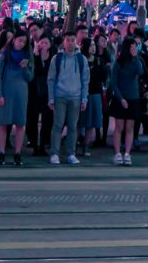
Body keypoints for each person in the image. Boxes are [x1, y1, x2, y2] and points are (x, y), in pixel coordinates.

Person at [47, 32, 90, 165]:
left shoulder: (82, 59)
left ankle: (71, 153)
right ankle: (54, 153)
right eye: (68, 40)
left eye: (73, 40)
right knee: (58, 125)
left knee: (73, 126)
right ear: (63, 42)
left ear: (76, 42)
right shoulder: (56, 58)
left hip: (76, 97)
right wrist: (51, 98)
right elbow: (51, 79)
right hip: (60, 96)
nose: (70, 43)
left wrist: (84, 99)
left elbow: (85, 80)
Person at [0, 31, 34, 166]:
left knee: (20, 124)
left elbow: (30, 77)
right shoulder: (5, 54)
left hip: (21, 92)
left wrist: (24, 68)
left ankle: (17, 153)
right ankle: (2, 152)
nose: (21, 44)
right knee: (3, 123)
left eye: (24, 42)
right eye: (19, 41)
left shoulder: (28, 56)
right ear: (13, 40)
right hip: (6, 91)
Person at [110, 37, 143, 166]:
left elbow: (140, 72)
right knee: (119, 127)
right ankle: (117, 153)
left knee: (130, 128)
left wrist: (136, 57)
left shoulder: (136, 61)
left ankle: (127, 154)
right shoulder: (118, 63)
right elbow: (114, 83)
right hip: (120, 98)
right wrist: (121, 98)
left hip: (133, 97)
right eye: (132, 46)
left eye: (136, 46)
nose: (134, 48)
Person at [28, 35, 54, 156]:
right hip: (35, 92)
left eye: (46, 42)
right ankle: (34, 144)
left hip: (48, 93)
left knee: (47, 120)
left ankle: (43, 144)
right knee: (32, 119)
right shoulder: (34, 57)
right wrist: (36, 56)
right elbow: (34, 72)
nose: (44, 45)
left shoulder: (53, 58)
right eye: (42, 43)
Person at [83, 36, 109, 157]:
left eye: (94, 45)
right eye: (90, 45)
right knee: (80, 121)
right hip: (83, 93)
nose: (93, 48)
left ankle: (86, 145)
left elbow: (103, 76)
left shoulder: (99, 61)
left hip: (95, 92)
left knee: (91, 122)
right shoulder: (81, 60)